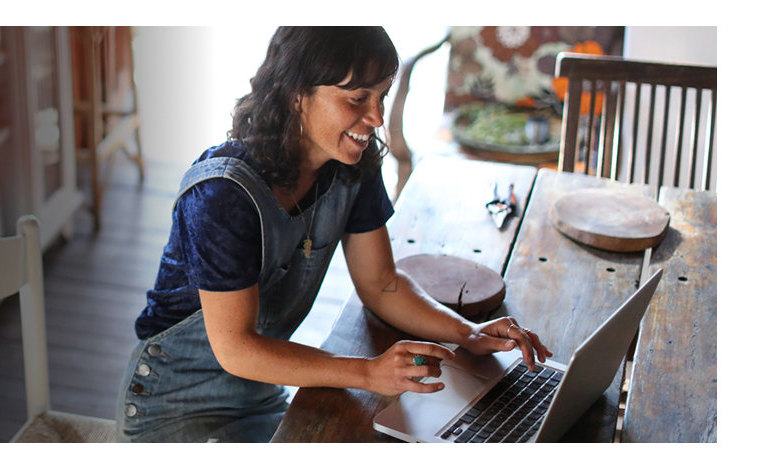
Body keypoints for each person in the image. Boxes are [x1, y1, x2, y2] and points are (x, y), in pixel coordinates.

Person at [115, 26, 552, 443]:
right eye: (358, 98)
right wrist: (368, 373)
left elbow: (383, 284)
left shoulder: (351, 167)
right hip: (173, 404)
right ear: (295, 94)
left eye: (382, 96)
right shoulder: (221, 195)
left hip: (259, 394)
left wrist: (467, 333)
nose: (377, 117)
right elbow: (238, 349)